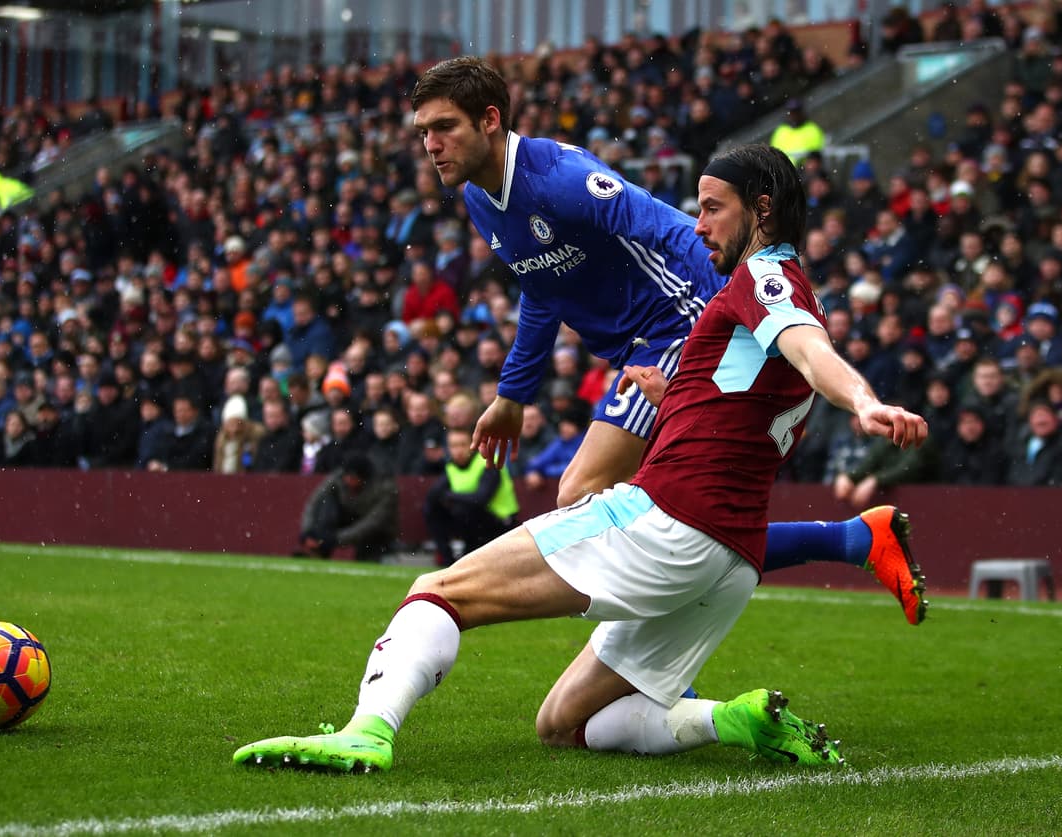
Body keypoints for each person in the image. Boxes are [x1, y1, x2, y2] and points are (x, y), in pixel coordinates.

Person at [233, 144, 929, 775]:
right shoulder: (767, 301)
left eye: (713, 208)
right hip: (731, 561)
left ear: (763, 210)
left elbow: (808, 348)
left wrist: (864, 403)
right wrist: (669, 388)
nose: (698, 223)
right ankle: (733, 718)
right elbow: (751, 388)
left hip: (667, 524)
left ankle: (367, 728)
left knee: (439, 590)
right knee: (562, 725)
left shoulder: (763, 279)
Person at [405, 56, 925, 624]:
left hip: (679, 324)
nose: (431, 144)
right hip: (640, 351)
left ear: (488, 120)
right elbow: (541, 287)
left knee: (582, 492)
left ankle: (659, 675)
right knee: (684, 519)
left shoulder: (560, 178)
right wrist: (512, 395)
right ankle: (853, 541)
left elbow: (670, 228)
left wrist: (746, 305)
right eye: (424, 132)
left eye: (444, 127)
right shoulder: (482, 200)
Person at [425, 427, 520, 566]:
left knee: (464, 510)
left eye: (463, 444)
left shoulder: (488, 462)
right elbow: (433, 495)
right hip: (473, 521)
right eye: (453, 446)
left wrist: (449, 496)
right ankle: (446, 559)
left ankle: (470, 552)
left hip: (502, 521)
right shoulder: (451, 466)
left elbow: (481, 499)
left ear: (473, 445)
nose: (458, 450)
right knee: (432, 509)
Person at [295, 451, 398, 561]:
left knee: (371, 546)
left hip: (375, 533)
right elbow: (314, 504)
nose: (348, 480)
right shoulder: (337, 478)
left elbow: (372, 522)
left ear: (364, 479)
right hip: (346, 519)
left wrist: (335, 539)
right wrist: (308, 532)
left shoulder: (385, 487)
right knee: (326, 506)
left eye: (353, 477)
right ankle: (317, 551)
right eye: (346, 476)